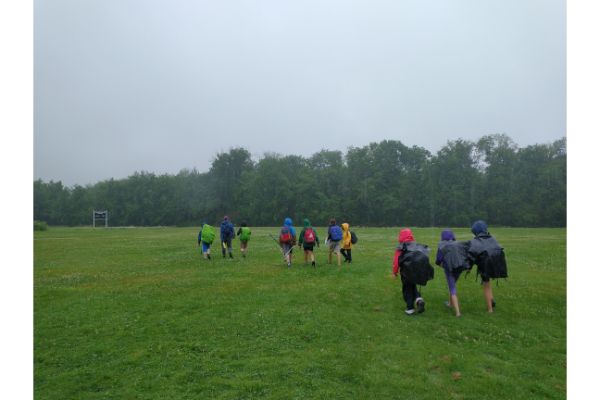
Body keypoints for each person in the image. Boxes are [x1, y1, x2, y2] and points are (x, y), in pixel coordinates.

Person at [468, 220, 506, 313]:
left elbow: (472, 254)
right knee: (487, 283)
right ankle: (491, 300)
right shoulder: (492, 238)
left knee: (486, 285)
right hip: (497, 261)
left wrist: (468, 266)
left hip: (486, 263)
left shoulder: (476, 241)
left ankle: (490, 309)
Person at [435, 230, 470, 317]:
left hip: (449, 269)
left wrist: (441, 264)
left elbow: (438, 259)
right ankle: (450, 303)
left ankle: (458, 312)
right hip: (459, 268)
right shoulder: (458, 244)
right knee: (453, 284)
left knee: (452, 288)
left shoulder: (442, 245)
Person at [392, 228, 426, 315]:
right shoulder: (415, 245)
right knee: (413, 285)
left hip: (405, 272)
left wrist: (394, 272)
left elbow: (396, 261)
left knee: (407, 289)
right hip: (415, 271)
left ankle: (410, 308)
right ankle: (419, 299)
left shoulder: (400, 247)